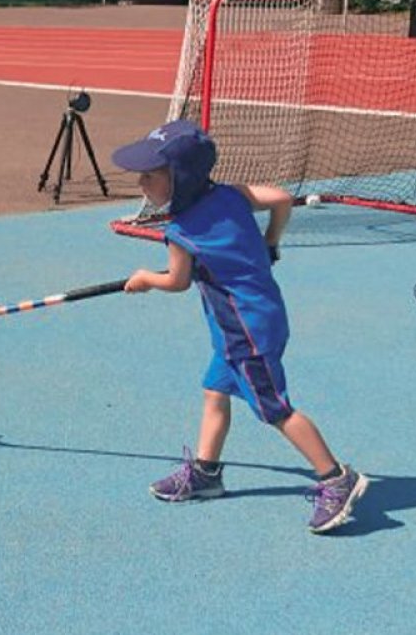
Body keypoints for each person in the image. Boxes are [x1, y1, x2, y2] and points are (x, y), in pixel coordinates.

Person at [114, 120, 368, 534]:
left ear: (179, 180)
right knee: (215, 390)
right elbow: (282, 199)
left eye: (149, 176)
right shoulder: (232, 194)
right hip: (261, 315)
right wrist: (272, 241)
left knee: (273, 408)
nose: (141, 184)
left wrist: (145, 280)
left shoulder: (179, 231)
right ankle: (206, 472)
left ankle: (336, 477)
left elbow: (176, 282)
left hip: (244, 331)